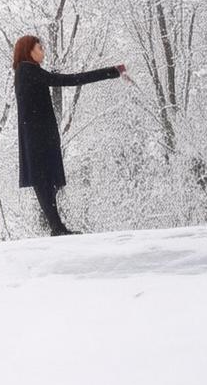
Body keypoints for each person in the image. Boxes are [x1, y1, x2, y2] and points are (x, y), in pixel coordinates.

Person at [12, 35, 127, 236]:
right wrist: (111, 72)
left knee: (48, 182)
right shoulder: (27, 71)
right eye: (39, 48)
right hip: (37, 138)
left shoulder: (28, 72)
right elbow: (66, 80)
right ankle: (57, 228)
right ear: (28, 51)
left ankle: (58, 228)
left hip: (39, 136)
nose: (43, 51)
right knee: (44, 181)